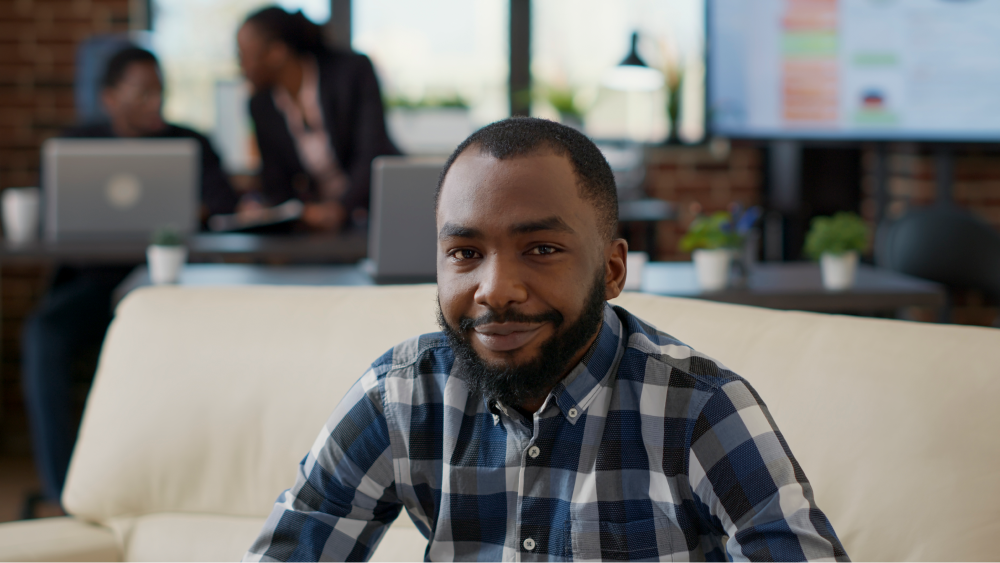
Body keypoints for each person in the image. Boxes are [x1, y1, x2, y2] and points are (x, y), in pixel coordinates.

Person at [242, 118, 850, 562]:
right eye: (465, 253)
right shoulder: (401, 397)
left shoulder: (700, 411)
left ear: (612, 270)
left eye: (541, 250)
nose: (495, 289)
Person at [20, 46, 239, 514]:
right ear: (109, 99)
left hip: (172, 289)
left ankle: (176, 486)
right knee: (43, 335)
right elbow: (51, 214)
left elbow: (226, 207)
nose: (154, 103)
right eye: (142, 94)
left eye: (160, 92)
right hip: (93, 288)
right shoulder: (75, 147)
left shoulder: (191, 143)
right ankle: (64, 494)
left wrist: (190, 209)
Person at [237, 6, 400, 232]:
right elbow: (276, 184)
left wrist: (339, 209)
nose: (241, 68)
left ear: (277, 52)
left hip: (381, 212)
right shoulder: (261, 105)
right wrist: (278, 210)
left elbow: (372, 153)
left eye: (244, 56)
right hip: (319, 228)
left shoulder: (351, 73)